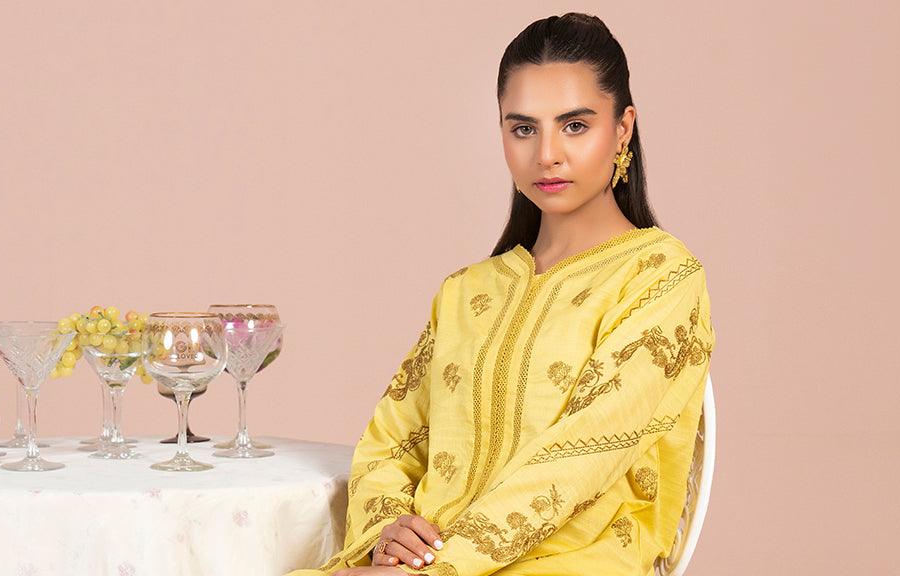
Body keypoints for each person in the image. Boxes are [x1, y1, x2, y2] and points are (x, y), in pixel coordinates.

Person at [288, 12, 716, 576]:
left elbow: (582, 459)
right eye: (523, 129)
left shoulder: (661, 278)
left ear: (623, 128)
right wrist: (388, 536)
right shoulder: (467, 292)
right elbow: (391, 443)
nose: (547, 154)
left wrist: (437, 567)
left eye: (575, 125)